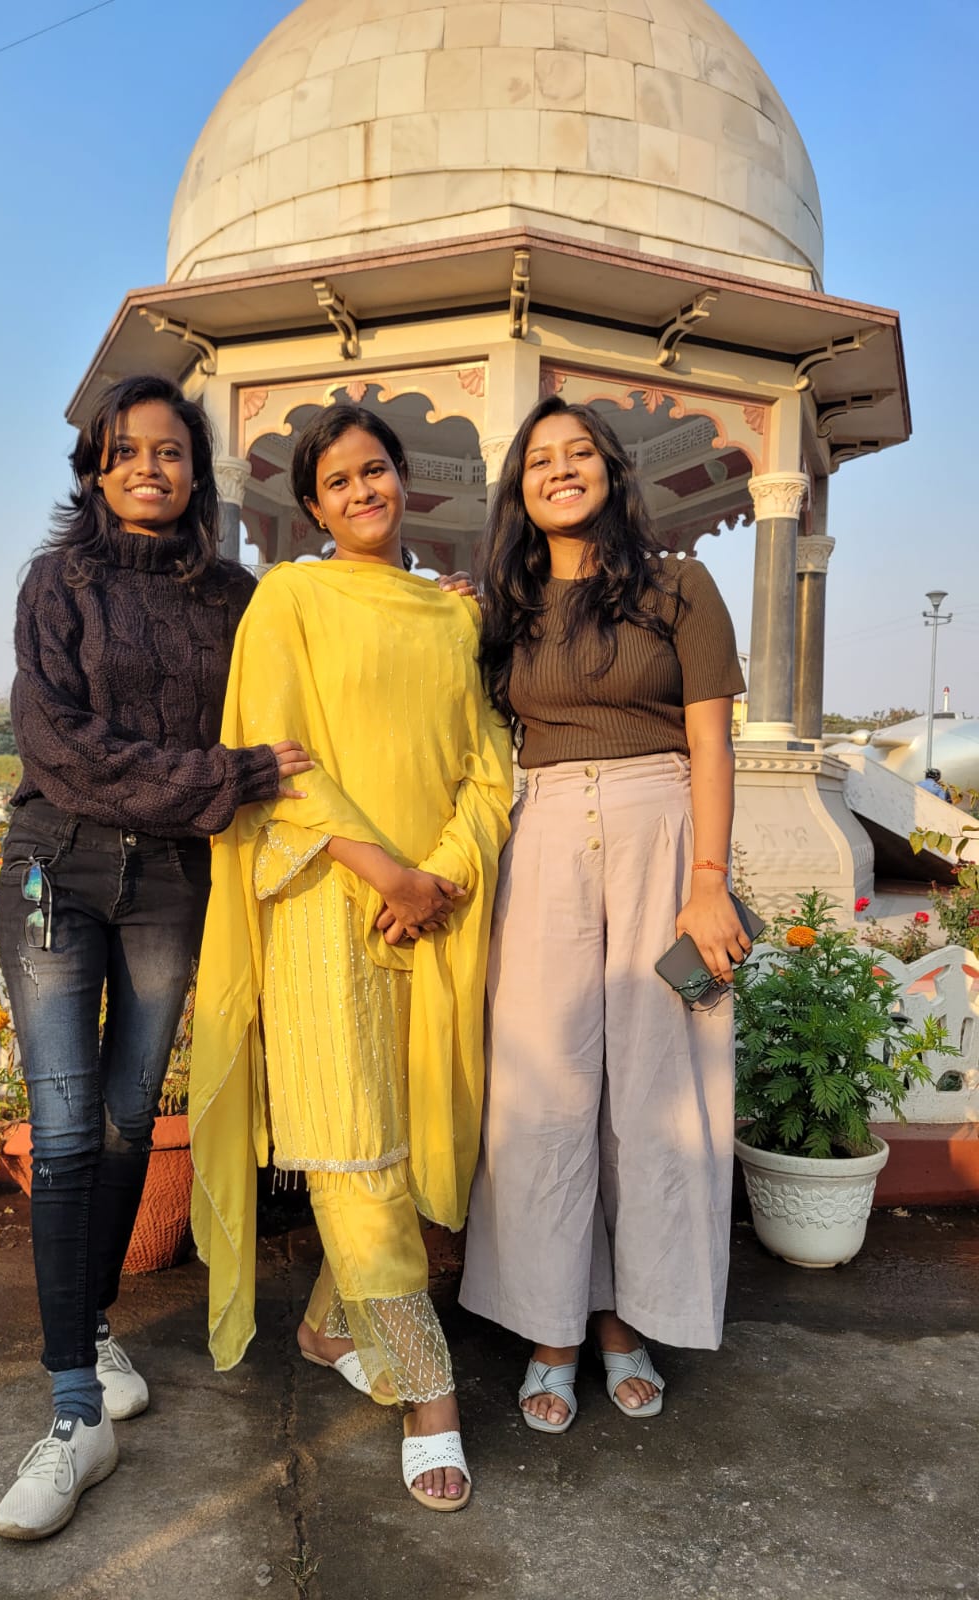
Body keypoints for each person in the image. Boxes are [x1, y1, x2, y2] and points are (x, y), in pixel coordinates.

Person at [0, 374, 314, 1540]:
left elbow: (316, 660)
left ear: (196, 471)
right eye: (124, 451)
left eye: (169, 451)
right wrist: (225, 778)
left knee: (132, 1116)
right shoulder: (58, 583)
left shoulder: (236, 597)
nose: (147, 468)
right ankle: (74, 1412)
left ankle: (91, 1325)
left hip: (173, 883)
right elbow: (61, 749)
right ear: (94, 468)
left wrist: (449, 615)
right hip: (54, 868)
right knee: (67, 1125)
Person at [190, 403, 512, 1512]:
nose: (363, 491)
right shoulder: (288, 598)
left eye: (376, 470)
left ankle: (331, 1327)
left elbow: (489, 766)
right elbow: (278, 762)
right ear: (313, 507)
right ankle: (430, 1394)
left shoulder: (452, 615)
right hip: (329, 906)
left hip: (438, 912)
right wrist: (388, 875)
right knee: (355, 1148)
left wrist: (444, 873)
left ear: (403, 480)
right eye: (338, 481)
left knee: (407, 1144)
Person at [458, 395, 750, 1434]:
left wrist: (708, 880)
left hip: (661, 830)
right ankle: (552, 1328)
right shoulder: (505, 607)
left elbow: (711, 742)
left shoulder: (681, 587)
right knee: (544, 1087)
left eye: (579, 452)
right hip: (541, 836)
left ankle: (630, 1319)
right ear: (521, 490)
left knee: (660, 1087)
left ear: (613, 471)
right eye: (540, 459)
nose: (560, 470)